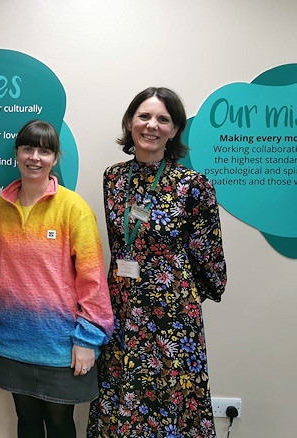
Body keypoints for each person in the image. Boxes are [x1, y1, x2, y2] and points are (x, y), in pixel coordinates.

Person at [87, 87, 228, 437]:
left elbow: (210, 258)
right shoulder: (113, 178)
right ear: (130, 122)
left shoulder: (194, 185)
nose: (152, 125)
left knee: (170, 403)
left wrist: (179, 293)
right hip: (120, 308)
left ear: (175, 129)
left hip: (172, 317)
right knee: (122, 397)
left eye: (163, 119)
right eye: (145, 116)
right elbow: (120, 242)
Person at [0, 119, 114, 438]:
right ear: (16, 154)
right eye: (28, 149)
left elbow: (92, 280)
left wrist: (88, 339)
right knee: (25, 421)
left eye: (44, 151)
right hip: (13, 341)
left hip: (62, 345)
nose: (35, 157)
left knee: (58, 425)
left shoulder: (73, 208)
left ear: (55, 158)